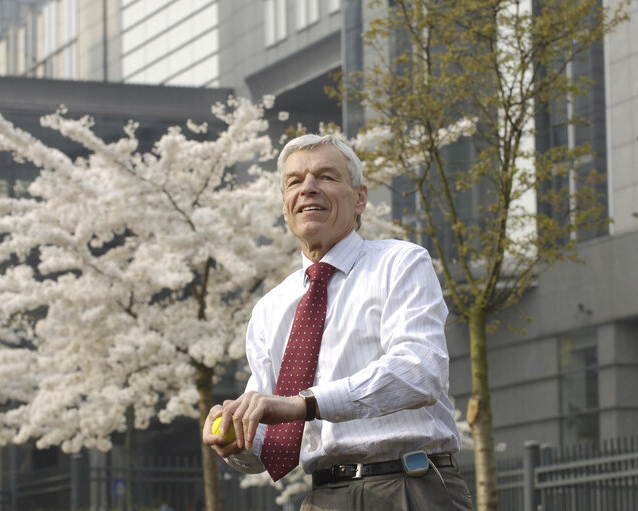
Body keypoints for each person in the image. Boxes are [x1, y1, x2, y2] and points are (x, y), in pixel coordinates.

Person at [202, 134, 472, 510]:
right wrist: (235, 439)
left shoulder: (401, 263)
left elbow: (418, 372)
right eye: (295, 181)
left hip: (410, 489)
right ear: (285, 206)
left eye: (326, 177)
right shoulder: (270, 309)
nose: (308, 188)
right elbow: (269, 439)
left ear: (360, 197)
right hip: (323, 496)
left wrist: (304, 404)